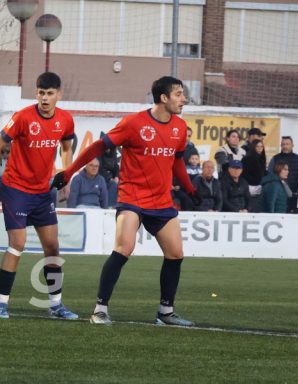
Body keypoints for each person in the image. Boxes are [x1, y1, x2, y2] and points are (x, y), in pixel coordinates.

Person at [52, 76, 199, 326]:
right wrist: (68, 172)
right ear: (163, 98)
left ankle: (165, 312)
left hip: (161, 201)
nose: (184, 99)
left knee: (175, 254)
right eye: (178, 94)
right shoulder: (134, 123)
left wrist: (190, 189)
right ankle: (100, 309)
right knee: (124, 248)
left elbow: (176, 161)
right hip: (132, 197)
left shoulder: (180, 128)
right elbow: (98, 147)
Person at [0, 72, 79, 320]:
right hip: (15, 189)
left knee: (52, 247)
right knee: (18, 244)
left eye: (49, 93)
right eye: (40, 93)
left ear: (58, 94)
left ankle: (56, 304)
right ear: (36, 93)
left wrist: (64, 174)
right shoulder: (23, 117)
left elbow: (67, 148)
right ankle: (1, 303)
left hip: (42, 192)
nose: (44, 98)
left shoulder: (66, 120)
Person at [267, 136, 298, 213]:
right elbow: (270, 175)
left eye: (287, 144)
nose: (285, 146)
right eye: (283, 144)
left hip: (293, 195)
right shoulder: (275, 158)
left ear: (292, 145)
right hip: (277, 194)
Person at [241, 139, 266, 212]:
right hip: (249, 187)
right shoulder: (247, 159)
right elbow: (244, 174)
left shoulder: (261, 158)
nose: (260, 148)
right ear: (253, 147)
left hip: (259, 187)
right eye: (257, 146)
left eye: (261, 146)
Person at [98, 136, 120, 206]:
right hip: (101, 177)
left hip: (111, 178)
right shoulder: (97, 153)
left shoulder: (113, 153)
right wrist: (110, 178)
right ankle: (110, 207)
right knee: (112, 185)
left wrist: (116, 176)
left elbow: (116, 166)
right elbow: (99, 168)